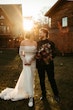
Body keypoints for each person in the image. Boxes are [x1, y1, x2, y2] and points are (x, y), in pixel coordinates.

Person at [0, 32, 37, 107]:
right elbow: (21, 53)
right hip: (26, 61)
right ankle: (31, 96)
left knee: (31, 78)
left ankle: (27, 91)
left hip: (32, 62)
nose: (33, 34)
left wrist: (31, 59)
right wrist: (25, 60)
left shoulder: (35, 42)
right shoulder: (23, 42)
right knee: (28, 76)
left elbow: (35, 53)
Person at [36, 28, 60, 102]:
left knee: (51, 79)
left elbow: (55, 52)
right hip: (40, 65)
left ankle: (56, 95)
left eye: (40, 32)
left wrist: (49, 57)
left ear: (45, 33)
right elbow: (36, 53)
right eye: (39, 33)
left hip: (49, 64)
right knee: (41, 80)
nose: (39, 34)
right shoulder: (38, 43)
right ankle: (44, 95)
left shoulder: (50, 43)